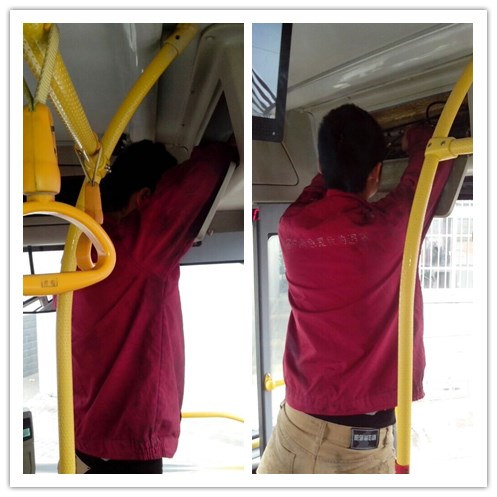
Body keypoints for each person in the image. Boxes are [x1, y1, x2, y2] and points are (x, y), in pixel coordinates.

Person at [256, 103, 454, 474]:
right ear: (376, 173)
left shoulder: (291, 225)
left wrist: (339, 161)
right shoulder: (387, 230)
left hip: (291, 436)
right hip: (352, 455)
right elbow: (432, 168)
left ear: (322, 164)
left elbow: (321, 188)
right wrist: (415, 136)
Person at [71, 139, 237, 474]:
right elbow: (207, 170)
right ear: (146, 199)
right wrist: (222, 143)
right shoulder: (135, 248)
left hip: (94, 437)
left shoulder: (87, 249)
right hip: (126, 442)